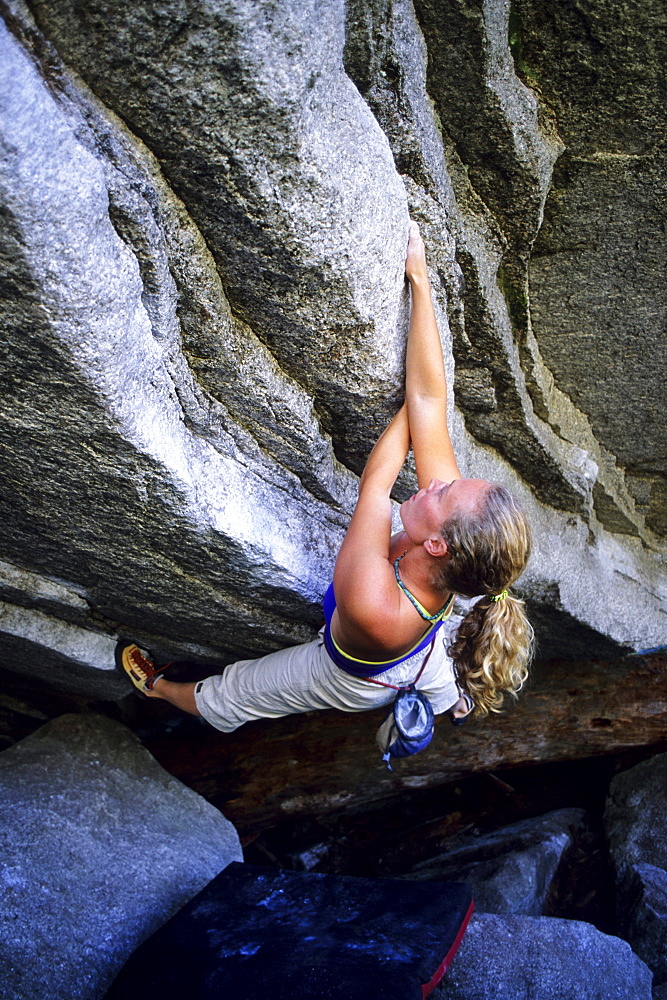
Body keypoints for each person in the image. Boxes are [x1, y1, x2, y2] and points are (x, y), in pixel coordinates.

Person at [118, 223, 533, 735]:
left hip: (355, 673)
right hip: (427, 635)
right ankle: (456, 702)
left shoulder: (372, 606)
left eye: (443, 492)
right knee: (439, 668)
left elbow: (377, 487)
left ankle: (158, 689)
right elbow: (430, 400)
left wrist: (414, 413)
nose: (436, 482)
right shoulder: (455, 546)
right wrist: (419, 280)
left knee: (238, 692)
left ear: (439, 544)